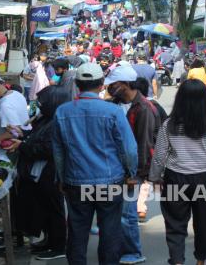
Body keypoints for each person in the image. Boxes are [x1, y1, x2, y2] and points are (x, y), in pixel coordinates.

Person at [53, 63, 138, 265]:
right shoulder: (112, 111)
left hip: (76, 182)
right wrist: (130, 173)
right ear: (101, 85)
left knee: (77, 231)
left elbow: (58, 151)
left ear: (77, 84)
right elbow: (129, 149)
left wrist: (61, 178)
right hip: (109, 182)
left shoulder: (62, 112)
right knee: (110, 231)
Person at [149, 80, 206, 265]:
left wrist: (155, 178)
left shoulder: (169, 125)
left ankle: (177, 261)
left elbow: (159, 156)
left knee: (174, 223)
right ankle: (201, 261)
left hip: (175, 178)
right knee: (204, 224)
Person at [5, 86, 71, 260]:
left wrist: (22, 145)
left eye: (43, 103)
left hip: (51, 171)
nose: (40, 106)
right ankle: (49, 241)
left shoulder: (58, 121)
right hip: (40, 171)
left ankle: (58, 246)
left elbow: (48, 148)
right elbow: (36, 136)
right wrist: (22, 134)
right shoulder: (47, 118)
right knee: (45, 207)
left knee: (54, 208)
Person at [105, 66, 161, 264]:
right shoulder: (119, 104)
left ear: (126, 85)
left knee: (127, 215)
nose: (111, 89)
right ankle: (122, 249)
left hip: (131, 171)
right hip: (118, 168)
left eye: (114, 85)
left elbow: (143, 144)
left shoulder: (144, 108)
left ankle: (134, 252)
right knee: (119, 213)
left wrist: (136, 175)